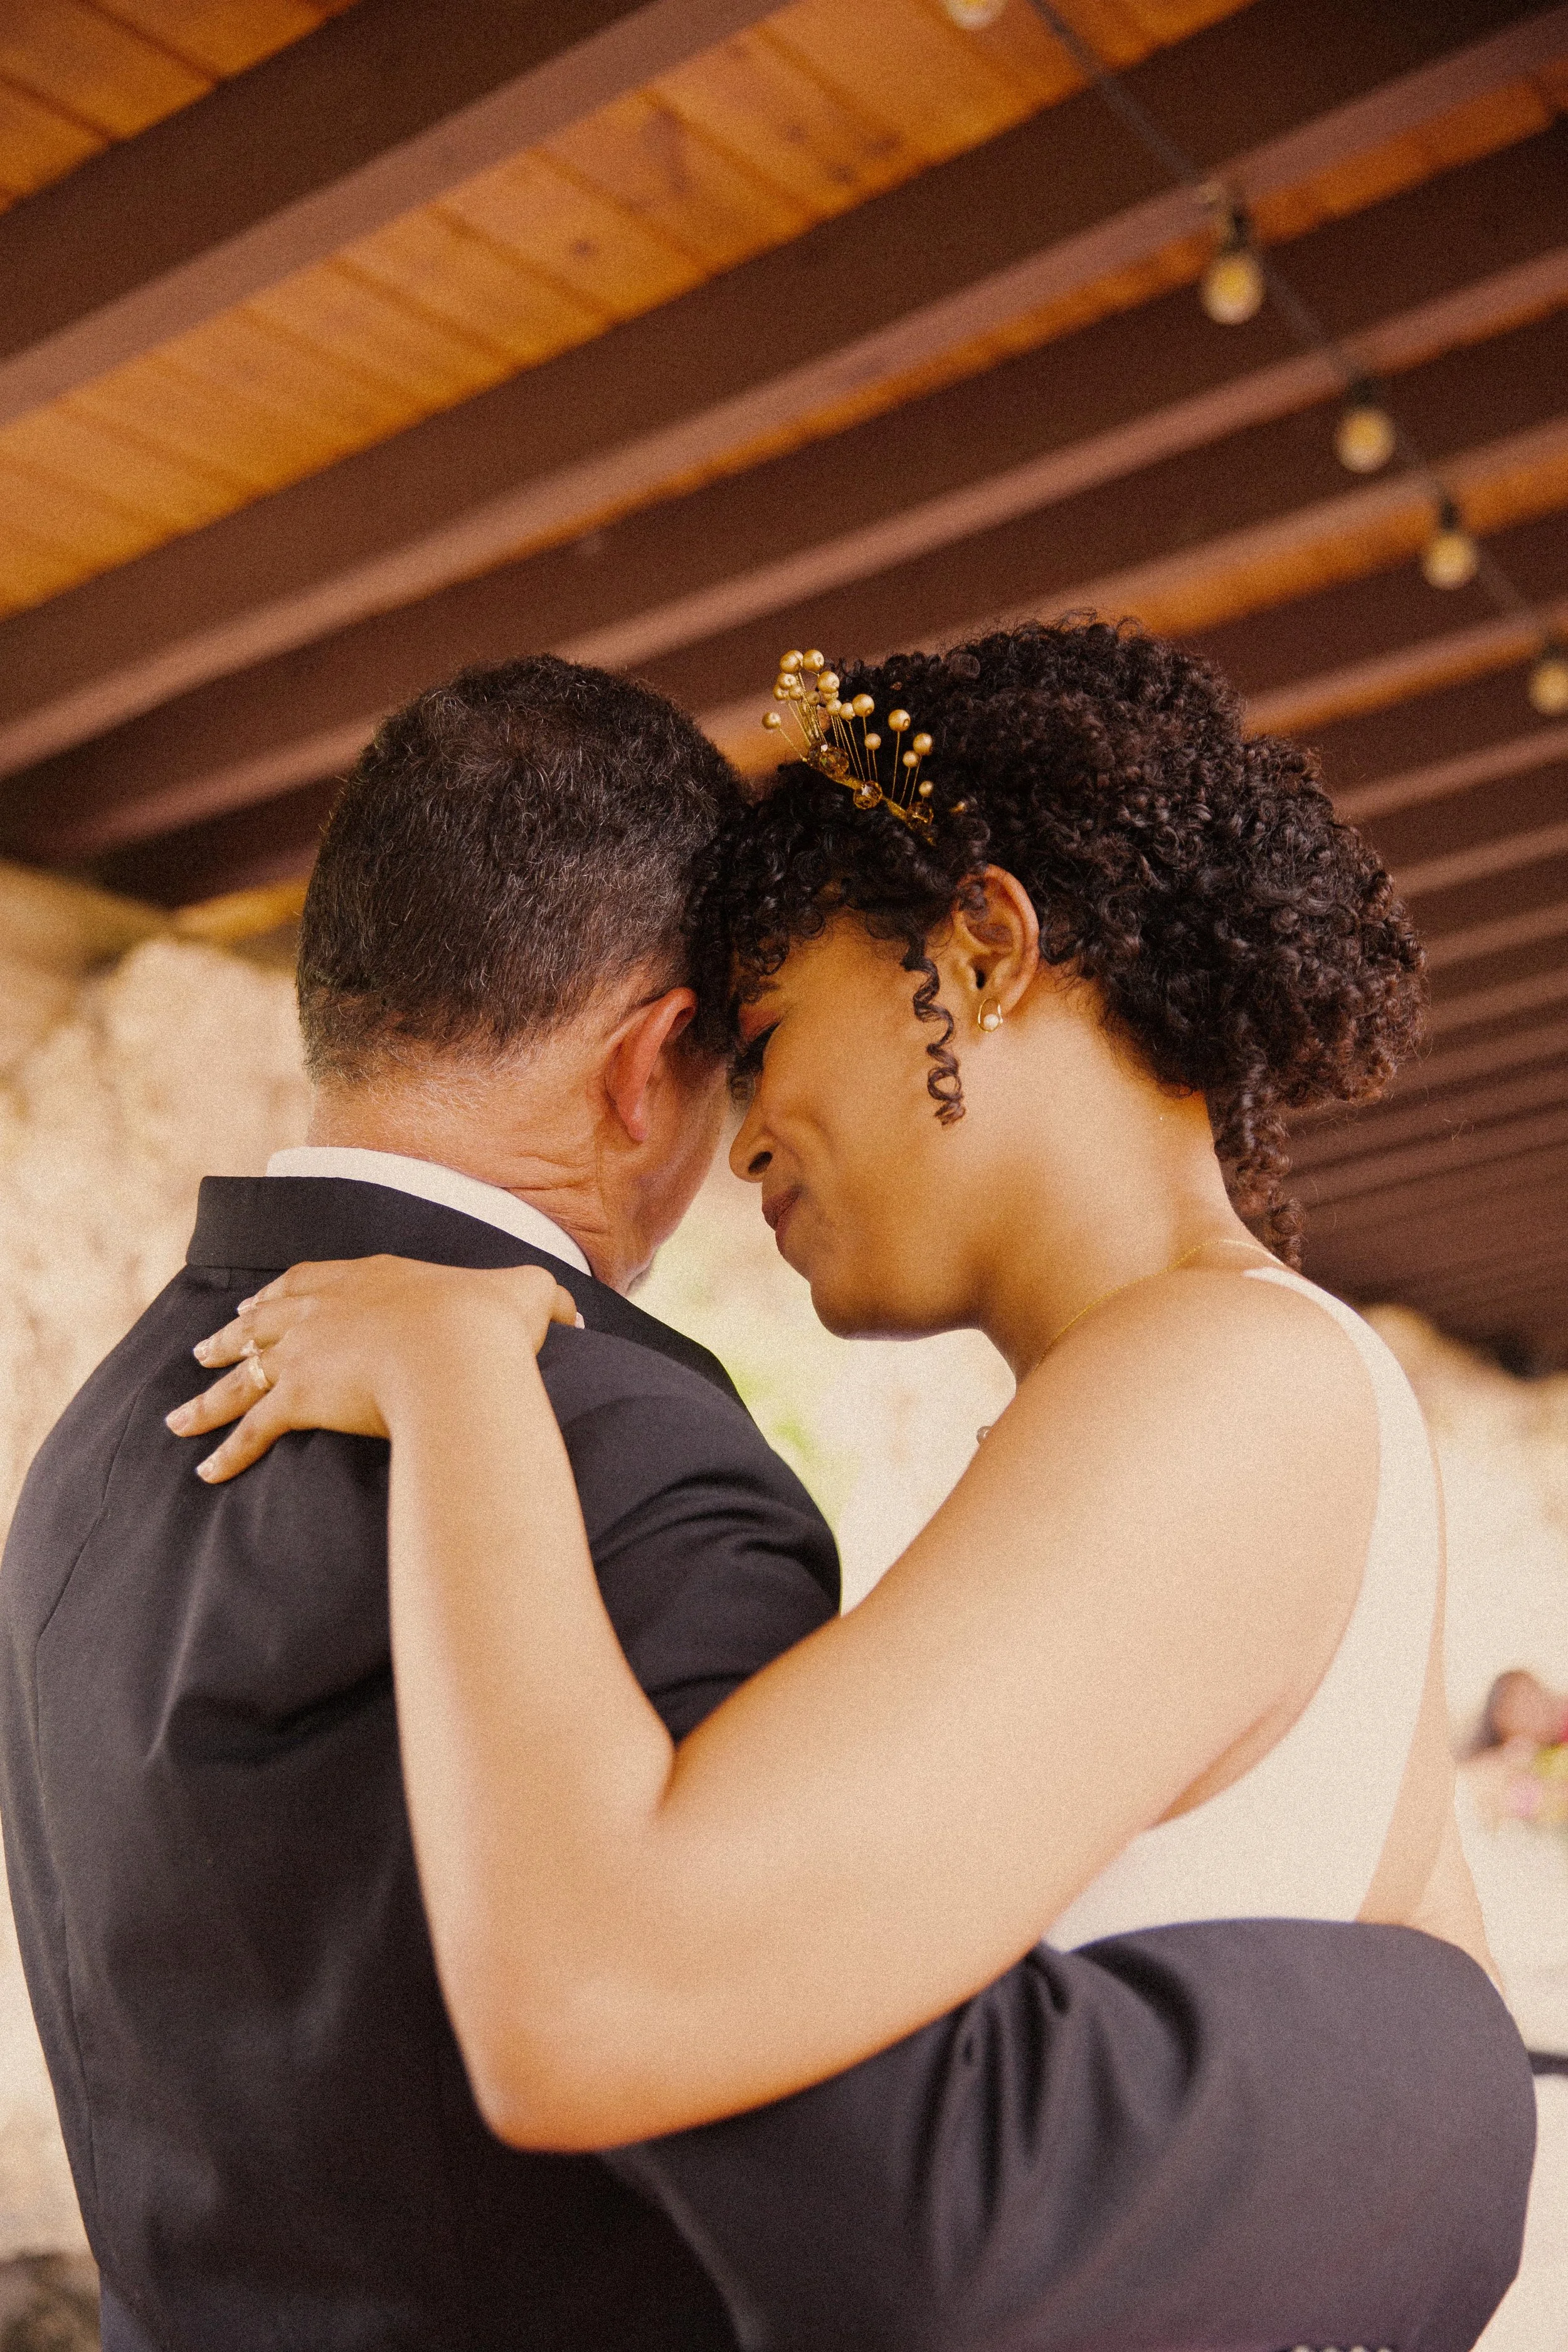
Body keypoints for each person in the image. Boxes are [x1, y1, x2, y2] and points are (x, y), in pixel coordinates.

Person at [154, 630, 1530, 2346]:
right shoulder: (1228, 1388)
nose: (731, 1137)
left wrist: (458, 1380)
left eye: (769, 1026)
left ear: (981, 951)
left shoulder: (1221, 1381)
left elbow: (594, 1998)